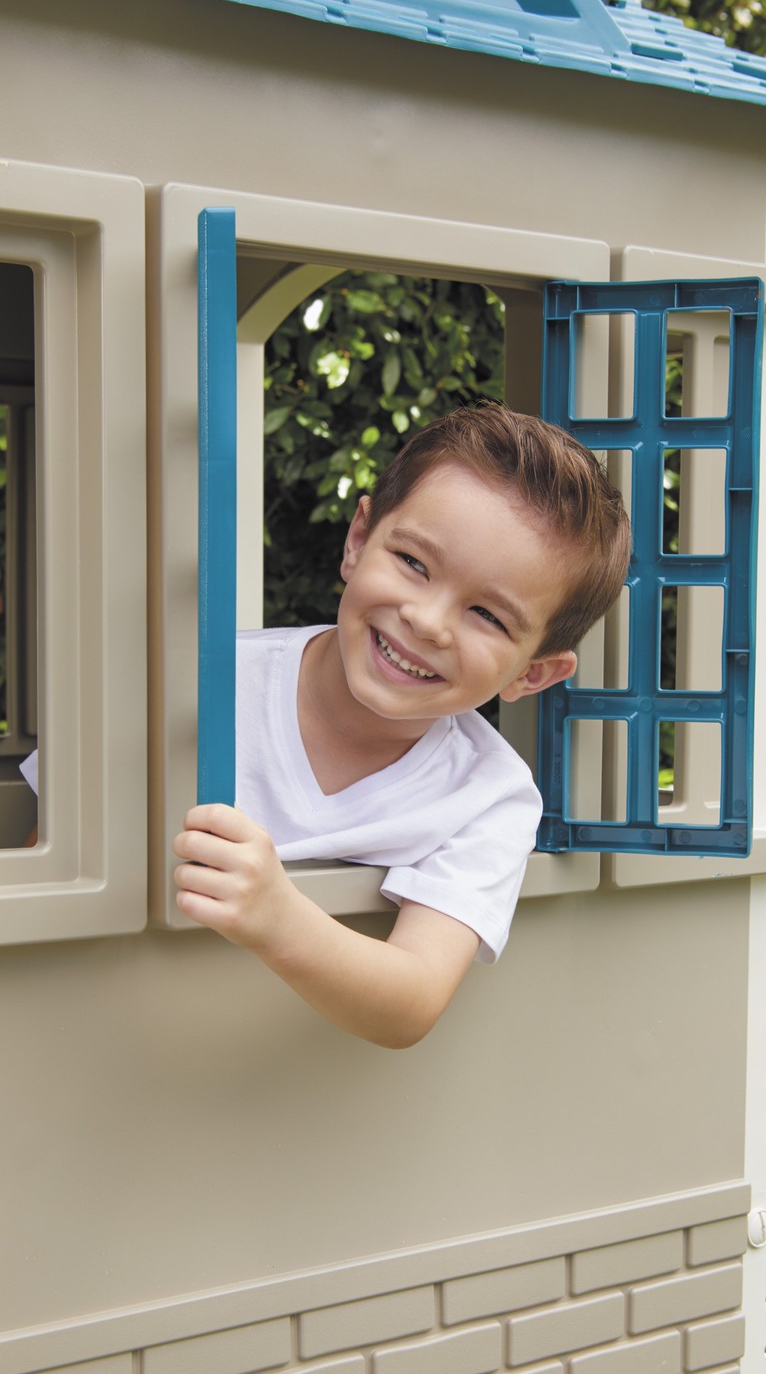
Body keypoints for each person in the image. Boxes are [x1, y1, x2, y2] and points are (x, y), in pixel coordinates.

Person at [173, 403, 630, 1048]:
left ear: (533, 674)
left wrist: (277, 916)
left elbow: (411, 1002)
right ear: (358, 540)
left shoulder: (488, 796)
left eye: (488, 615)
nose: (427, 621)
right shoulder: (190, 682)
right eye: (414, 563)